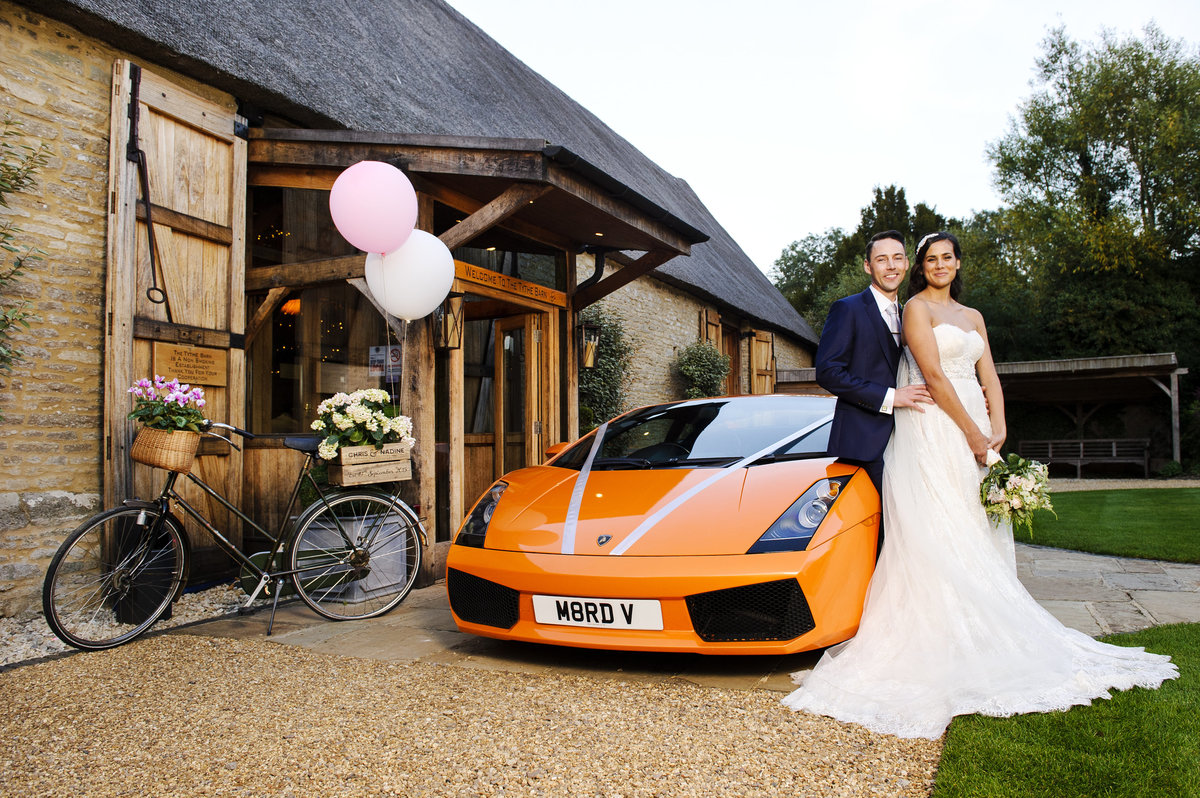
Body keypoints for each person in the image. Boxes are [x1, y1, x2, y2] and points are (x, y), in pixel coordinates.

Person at [783, 231, 1178, 740]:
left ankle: (979, 622)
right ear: (876, 266)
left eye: (927, 257)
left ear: (947, 263)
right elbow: (916, 375)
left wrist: (999, 424)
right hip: (928, 426)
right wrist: (960, 428)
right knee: (926, 527)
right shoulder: (904, 311)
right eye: (923, 259)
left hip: (964, 423)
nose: (926, 265)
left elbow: (988, 374)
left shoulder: (964, 316)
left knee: (967, 521)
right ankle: (924, 630)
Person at [815, 230, 932, 497]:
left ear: (906, 264)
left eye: (897, 258)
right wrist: (890, 397)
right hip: (864, 444)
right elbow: (828, 371)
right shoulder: (847, 309)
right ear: (868, 266)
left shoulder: (912, 315)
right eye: (882, 259)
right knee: (875, 531)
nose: (891, 266)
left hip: (911, 438)